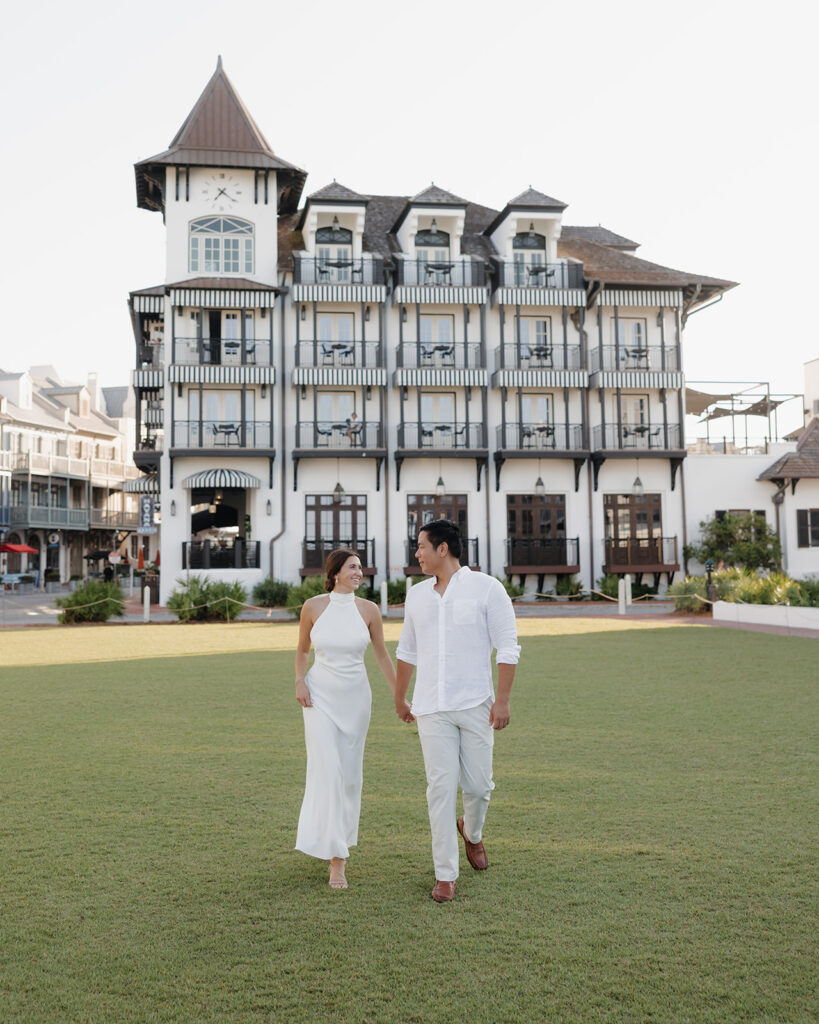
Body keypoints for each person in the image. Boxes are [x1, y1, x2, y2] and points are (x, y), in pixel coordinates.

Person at [394, 519, 520, 903]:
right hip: (431, 707)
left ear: (443, 549)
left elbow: (509, 647)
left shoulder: (487, 589)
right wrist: (400, 696)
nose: (417, 553)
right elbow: (407, 651)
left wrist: (502, 700)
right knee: (440, 789)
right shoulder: (415, 595)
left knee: (480, 787)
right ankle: (445, 875)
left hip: (476, 703)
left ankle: (473, 832)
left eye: (421, 546)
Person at [294, 548, 398, 890]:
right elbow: (303, 651)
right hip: (319, 697)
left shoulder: (369, 610)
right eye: (353, 567)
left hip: (356, 700)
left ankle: (336, 841)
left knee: (350, 778)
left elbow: (382, 654)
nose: (359, 572)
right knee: (329, 772)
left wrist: (400, 695)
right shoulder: (313, 607)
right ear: (335, 572)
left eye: (360, 568)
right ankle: (337, 862)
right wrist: (299, 680)